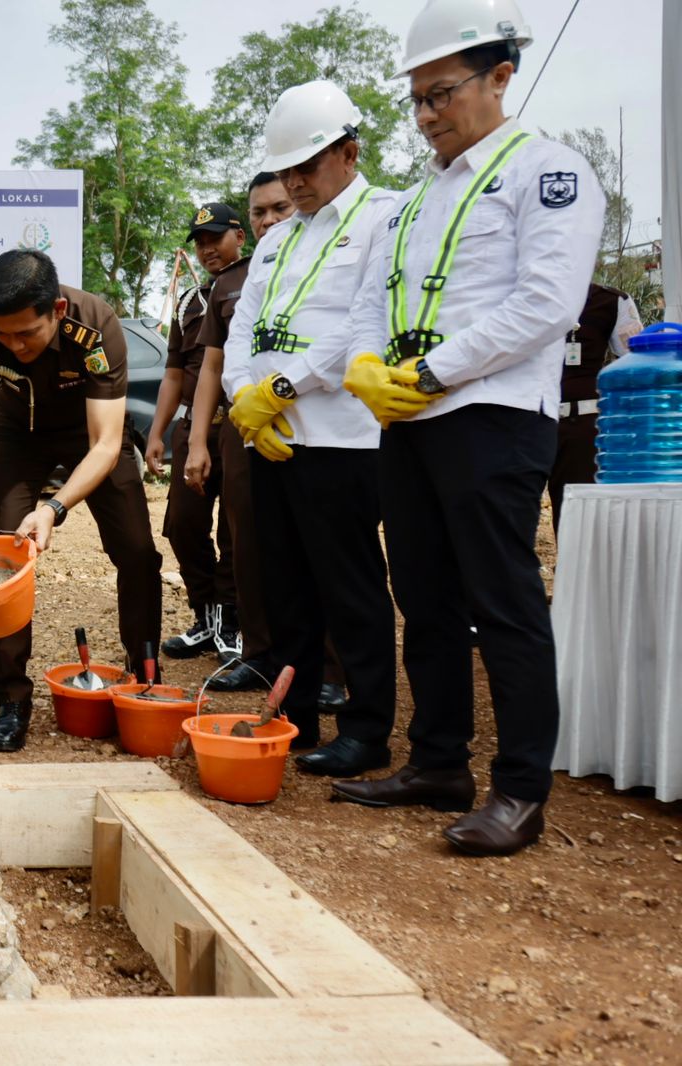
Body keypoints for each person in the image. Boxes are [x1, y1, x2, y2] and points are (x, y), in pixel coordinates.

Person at [334, 0, 604, 856]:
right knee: (424, 599)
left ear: (500, 76)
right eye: (416, 99)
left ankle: (521, 789)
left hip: (491, 415)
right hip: (409, 423)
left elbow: (545, 303)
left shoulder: (547, 172)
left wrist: (433, 371)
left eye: (440, 94)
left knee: (503, 600)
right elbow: (373, 299)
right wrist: (368, 364)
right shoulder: (414, 201)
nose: (425, 116)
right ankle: (437, 762)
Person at [221, 80, 401, 776]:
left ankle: (367, 728)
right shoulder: (278, 241)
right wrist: (244, 396)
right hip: (272, 439)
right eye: (284, 170)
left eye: (307, 166)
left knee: (349, 587)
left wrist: (282, 388)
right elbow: (243, 330)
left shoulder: (386, 217)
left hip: (341, 438)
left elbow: (364, 322)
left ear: (349, 153)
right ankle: (294, 715)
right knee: (285, 589)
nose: (293, 183)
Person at [0, 249, 162, 752]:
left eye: (26, 333)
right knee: (2, 562)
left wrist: (55, 508)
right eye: (3, 334)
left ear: (56, 310)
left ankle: (145, 675)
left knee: (138, 551)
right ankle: (10, 700)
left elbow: (105, 444)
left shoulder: (95, 325)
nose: (14, 345)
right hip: (13, 434)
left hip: (88, 432)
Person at [180, 173, 300, 697]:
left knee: (316, 542)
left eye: (280, 209)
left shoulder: (327, 260)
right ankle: (257, 654)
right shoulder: (232, 283)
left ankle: (329, 667)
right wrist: (198, 442)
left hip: (316, 423)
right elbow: (213, 365)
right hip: (244, 426)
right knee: (247, 543)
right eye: (260, 213)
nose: (269, 221)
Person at [146, 203, 246, 665]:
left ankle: (231, 619)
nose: (207, 249)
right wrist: (157, 433)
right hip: (193, 428)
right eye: (200, 243)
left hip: (241, 423)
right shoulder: (190, 301)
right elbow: (173, 373)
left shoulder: (256, 285)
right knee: (183, 525)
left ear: (239, 236)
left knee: (236, 530)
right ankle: (205, 615)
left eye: (215, 238)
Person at [546, 282, 640, 533]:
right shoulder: (524, 294)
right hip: (522, 417)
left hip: (580, 422)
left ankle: (573, 559)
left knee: (575, 514)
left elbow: (635, 361)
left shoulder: (611, 300)